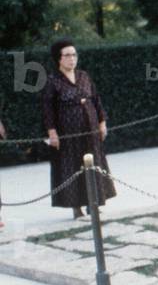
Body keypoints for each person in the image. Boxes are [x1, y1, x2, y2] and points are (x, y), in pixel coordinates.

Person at [42, 39, 116, 220]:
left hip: (90, 131)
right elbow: (48, 109)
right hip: (68, 134)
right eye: (67, 55)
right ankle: (76, 207)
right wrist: (52, 133)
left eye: (74, 54)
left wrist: (102, 122)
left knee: (94, 165)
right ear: (59, 59)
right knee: (72, 167)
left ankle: (95, 204)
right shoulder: (53, 81)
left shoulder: (84, 76)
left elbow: (96, 100)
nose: (72, 59)